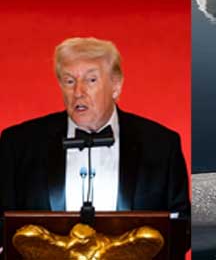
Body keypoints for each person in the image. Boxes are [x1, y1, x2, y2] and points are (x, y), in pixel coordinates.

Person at [0, 37, 189, 239]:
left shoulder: (161, 145)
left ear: (116, 86)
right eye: (69, 81)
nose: (78, 92)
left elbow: (181, 228)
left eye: (91, 80)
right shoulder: (18, 144)